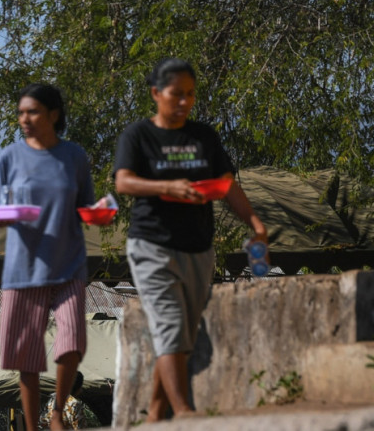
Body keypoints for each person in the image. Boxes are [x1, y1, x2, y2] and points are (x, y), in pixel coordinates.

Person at [114, 57, 267, 421]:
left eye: (190, 94)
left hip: (198, 247)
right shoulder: (138, 135)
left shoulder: (204, 137)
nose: (184, 101)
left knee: (182, 333)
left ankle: (154, 413)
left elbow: (227, 185)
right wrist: (166, 186)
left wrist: (255, 222)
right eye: (176, 94)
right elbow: (123, 182)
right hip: (152, 245)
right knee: (169, 324)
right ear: (156, 94)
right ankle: (184, 411)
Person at [0, 83, 96, 431]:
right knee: (27, 356)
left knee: (72, 342)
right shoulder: (10, 157)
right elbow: (0, 207)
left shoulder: (75, 157)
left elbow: (86, 207)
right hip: (24, 266)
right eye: (21, 112)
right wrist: (14, 213)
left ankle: (57, 412)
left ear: (53, 114)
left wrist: (100, 213)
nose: (24, 119)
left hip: (69, 263)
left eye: (32, 111)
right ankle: (32, 426)